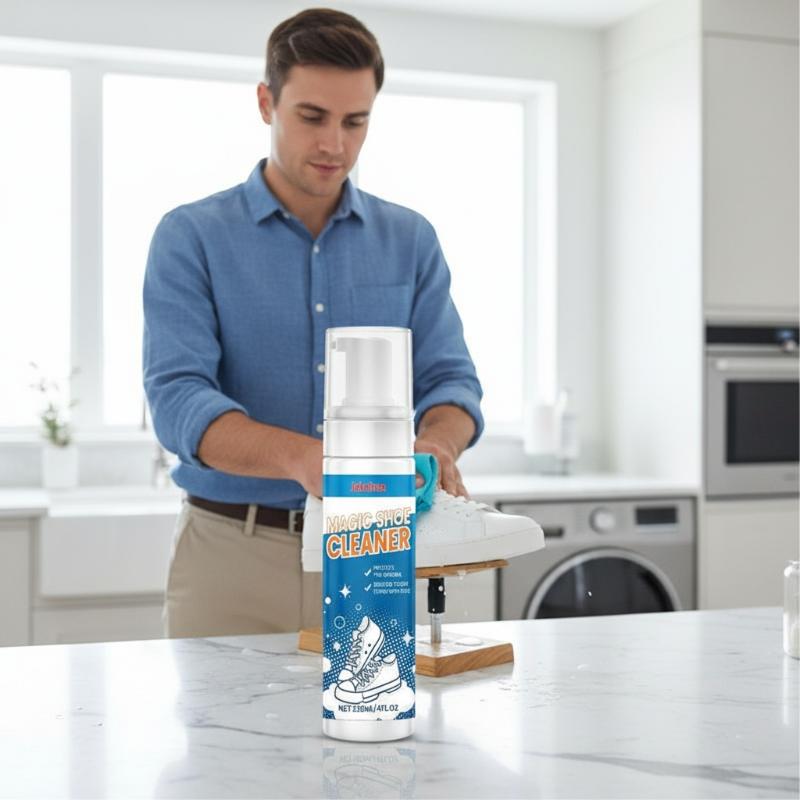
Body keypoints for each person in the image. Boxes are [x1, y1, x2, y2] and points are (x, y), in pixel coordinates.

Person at [143, 8, 484, 639]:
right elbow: (178, 400)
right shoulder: (191, 236)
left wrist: (436, 445)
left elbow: (451, 383)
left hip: (372, 546)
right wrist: (310, 460)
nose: (335, 144)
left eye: (355, 122)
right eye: (312, 117)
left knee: (376, 706)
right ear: (266, 103)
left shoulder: (410, 240)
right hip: (231, 556)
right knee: (223, 712)